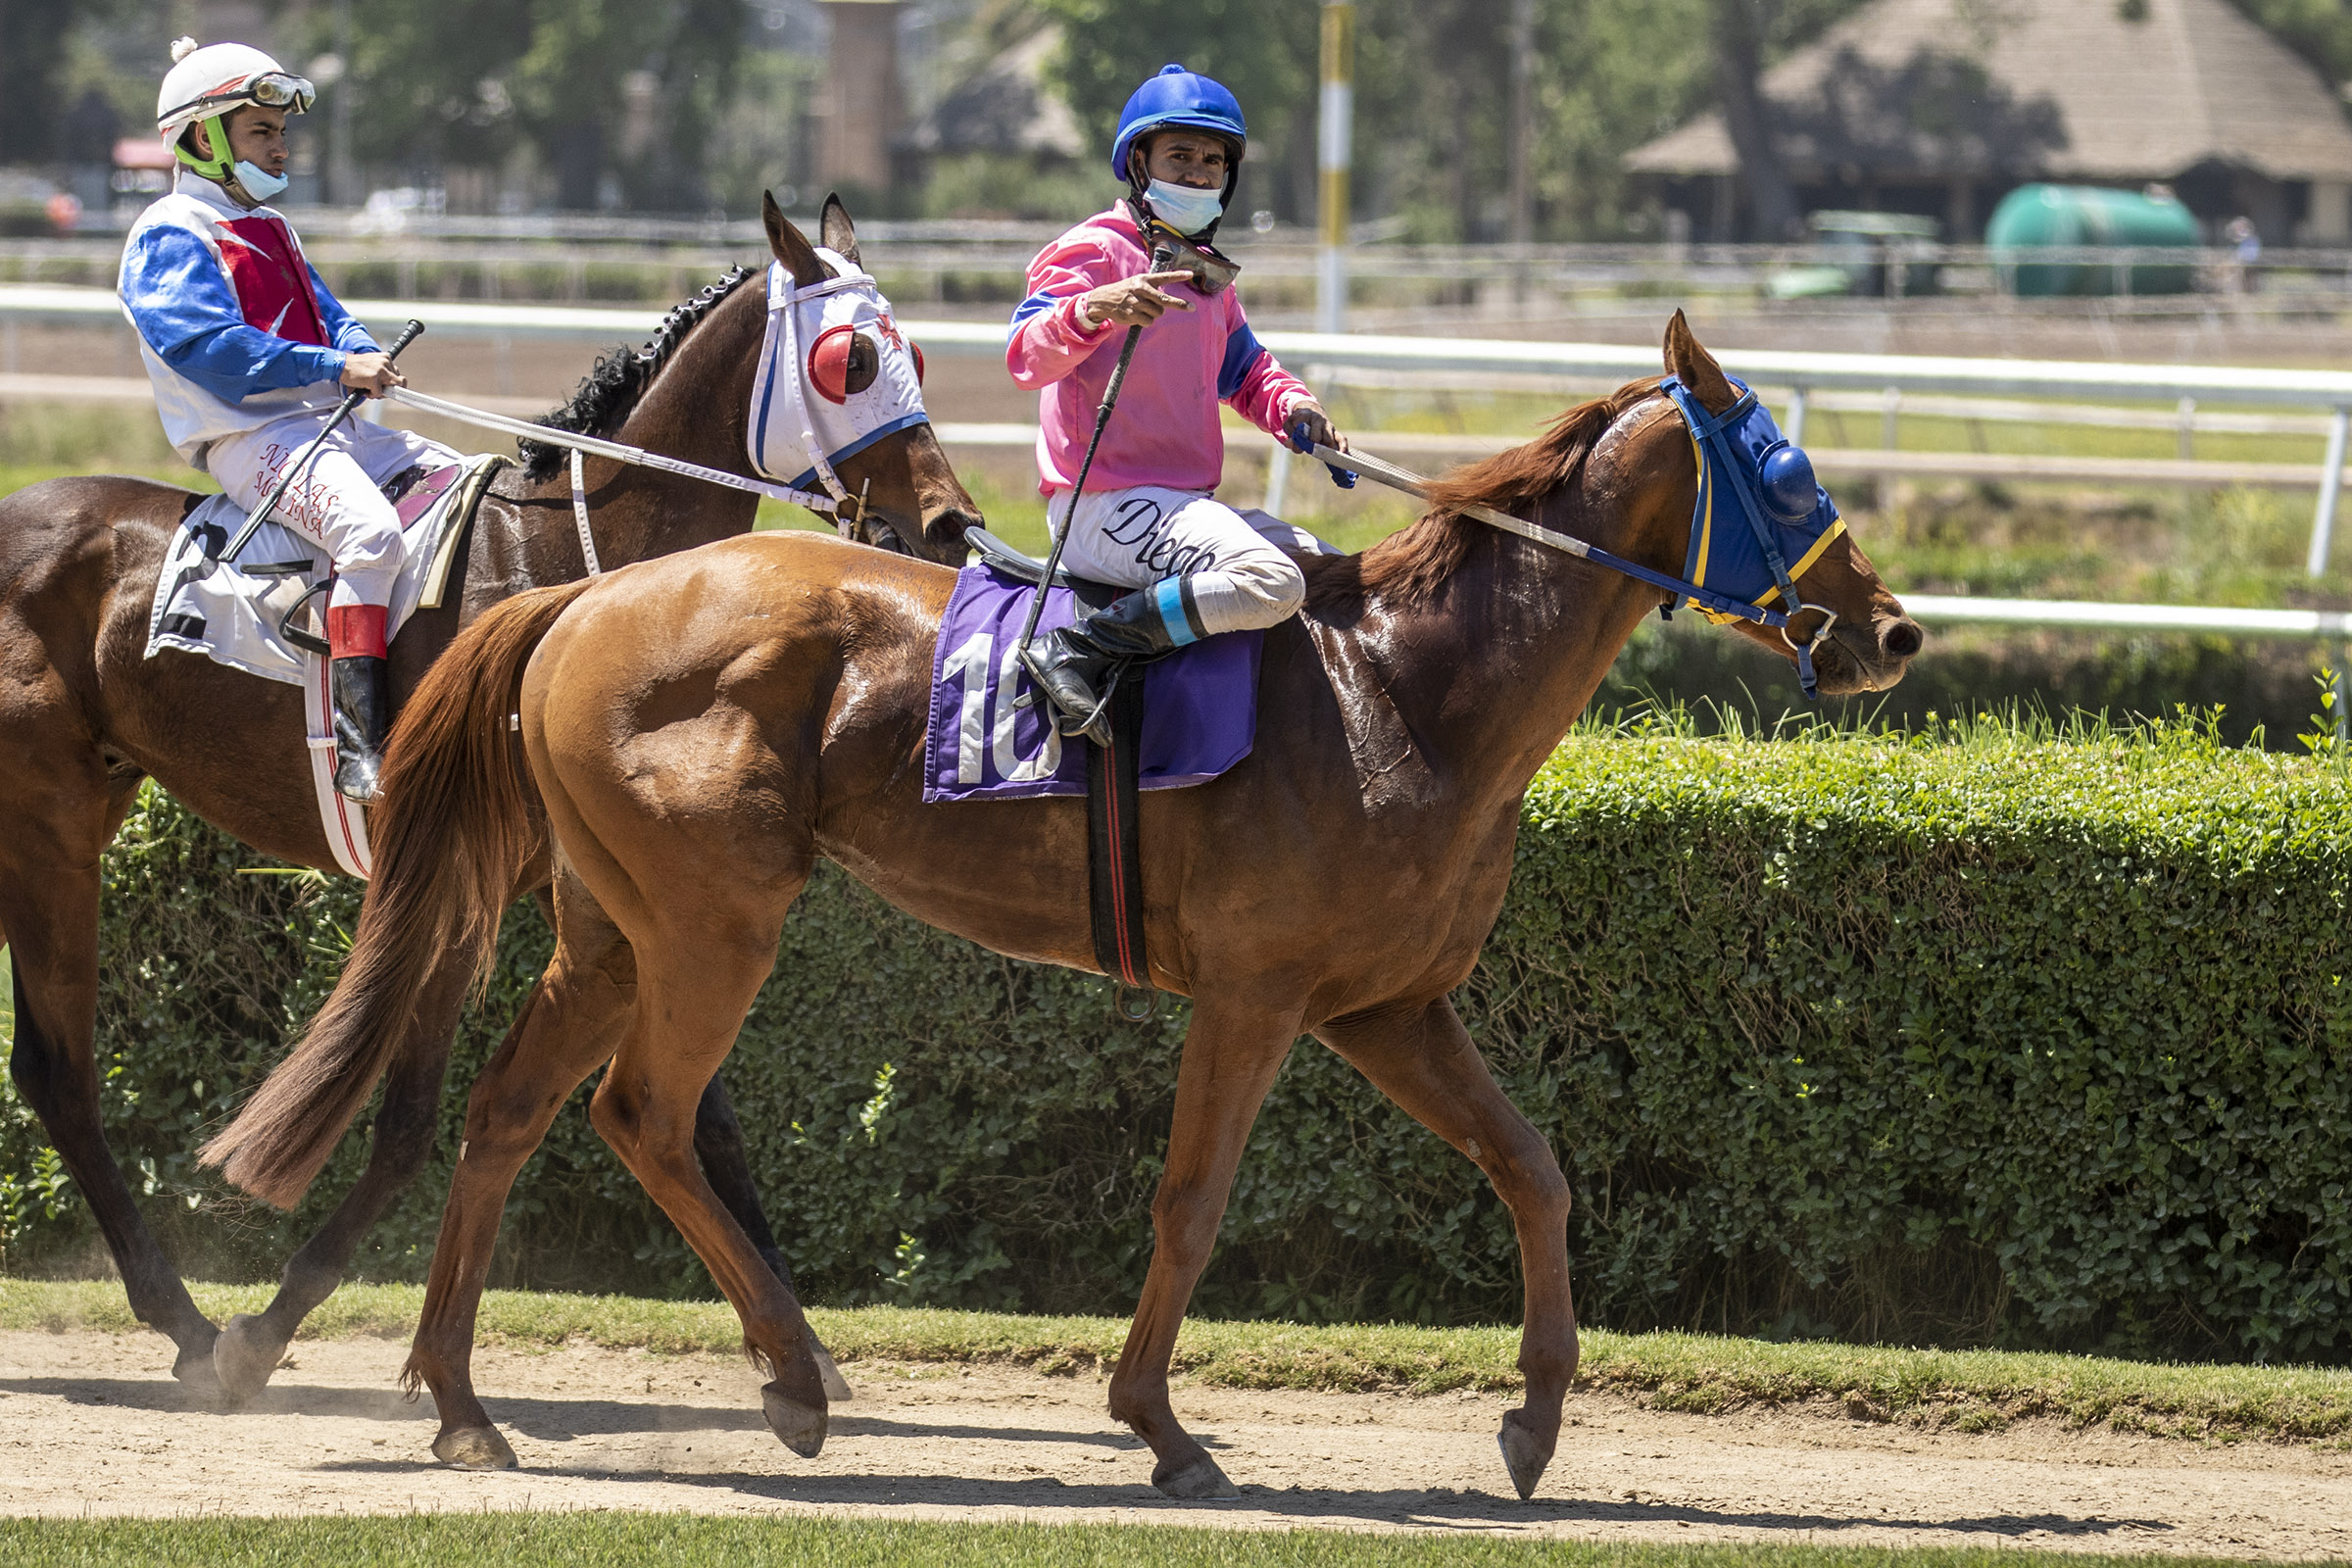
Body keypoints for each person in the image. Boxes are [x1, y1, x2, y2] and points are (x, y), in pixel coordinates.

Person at [118, 38, 456, 802]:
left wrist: (358, 347)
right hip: (252, 437)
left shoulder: (272, 226)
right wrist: (334, 368)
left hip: (332, 427)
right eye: (261, 132)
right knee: (371, 538)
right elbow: (211, 350)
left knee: (460, 486)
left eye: (280, 132)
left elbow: (328, 314)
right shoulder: (170, 231)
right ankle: (359, 744)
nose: (281, 147)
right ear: (204, 138)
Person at [1007, 63, 1350, 745]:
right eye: (1180, 157)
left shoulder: (1207, 274)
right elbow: (1025, 354)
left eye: (1212, 161)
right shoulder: (1092, 249)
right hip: (1100, 508)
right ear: (1140, 164)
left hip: (1181, 506)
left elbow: (1246, 371)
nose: (1197, 174)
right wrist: (1094, 308)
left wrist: (1295, 409)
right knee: (1271, 580)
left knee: (1333, 573)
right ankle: (1079, 649)